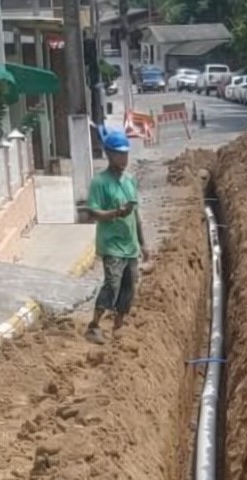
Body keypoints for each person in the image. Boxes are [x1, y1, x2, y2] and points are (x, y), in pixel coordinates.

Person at [86, 127, 148, 343]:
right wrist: (115, 213)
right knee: (112, 283)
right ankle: (94, 325)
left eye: (125, 153)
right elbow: (93, 212)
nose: (123, 158)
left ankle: (118, 326)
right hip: (111, 244)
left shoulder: (129, 180)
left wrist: (143, 243)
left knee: (129, 287)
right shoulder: (100, 182)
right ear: (109, 155)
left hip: (130, 245)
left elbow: (136, 215)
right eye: (119, 154)